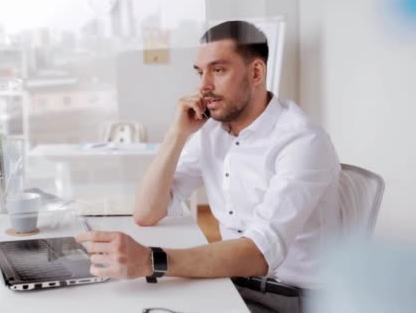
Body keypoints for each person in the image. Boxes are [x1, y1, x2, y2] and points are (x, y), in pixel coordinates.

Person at [76, 20, 341, 313]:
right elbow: (147, 212)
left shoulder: (301, 141)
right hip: (229, 280)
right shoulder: (212, 132)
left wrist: (151, 261)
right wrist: (176, 135)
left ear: (256, 72)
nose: (203, 87)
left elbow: (260, 252)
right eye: (200, 72)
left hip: (287, 298)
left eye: (218, 70)